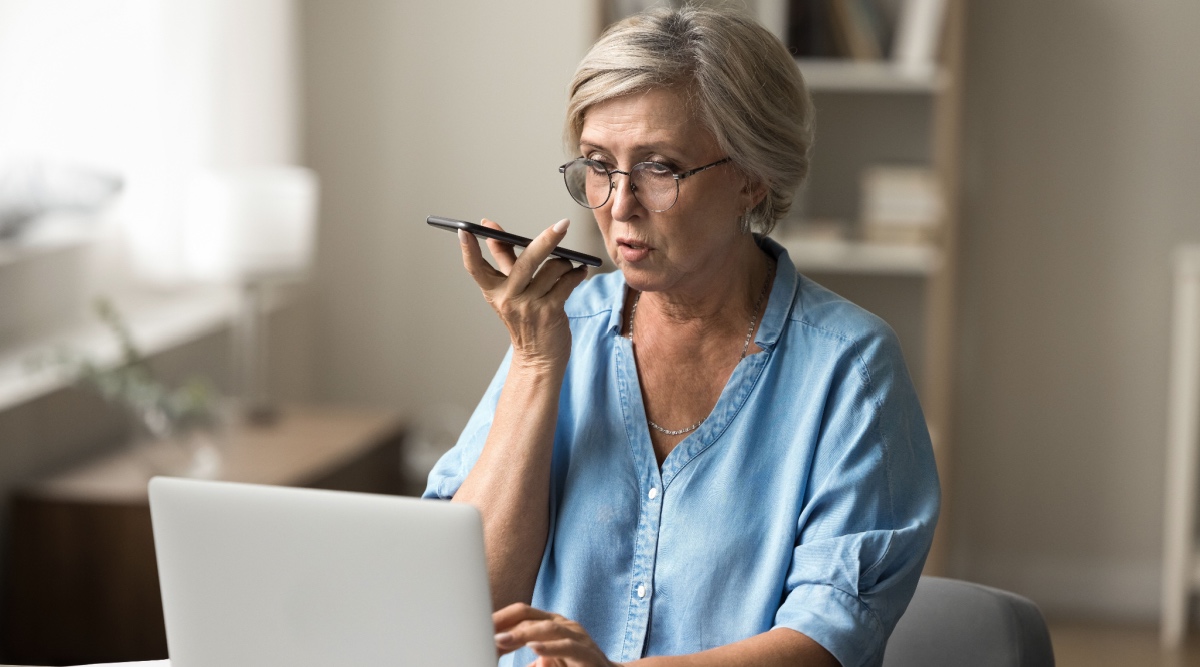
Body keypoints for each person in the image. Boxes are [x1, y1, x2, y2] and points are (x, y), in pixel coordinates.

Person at [424, 6, 939, 666]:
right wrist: (532, 364)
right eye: (598, 165)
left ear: (753, 176)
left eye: (659, 167)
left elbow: (824, 641)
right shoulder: (556, 329)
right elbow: (465, 611)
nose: (618, 203)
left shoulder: (850, 368)